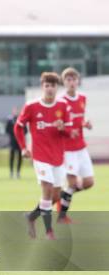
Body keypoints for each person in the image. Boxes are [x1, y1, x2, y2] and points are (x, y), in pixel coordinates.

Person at [15, 72, 69, 240]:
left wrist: (63, 128)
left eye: (53, 85)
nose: (50, 88)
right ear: (42, 86)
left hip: (58, 157)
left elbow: (69, 133)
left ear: (57, 87)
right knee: (47, 189)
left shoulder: (62, 106)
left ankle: (31, 217)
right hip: (40, 156)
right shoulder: (31, 106)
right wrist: (24, 148)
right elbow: (18, 127)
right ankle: (49, 231)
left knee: (56, 195)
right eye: (47, 85)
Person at [57, 67, 94, 223]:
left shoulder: (82, 98)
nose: (71, 82)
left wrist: (85, 124)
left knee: (88, 183)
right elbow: (57, 126)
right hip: (68, 149)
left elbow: (79, 119)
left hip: (81, 147)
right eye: (68, 79)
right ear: (64, 82)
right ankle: (62, 215)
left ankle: (61, 196)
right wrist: (67, 130)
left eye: (74, 79)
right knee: (72, 182)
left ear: (78, 81)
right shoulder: (60, 101)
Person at [5, 107, 23, 178]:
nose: (16, 112)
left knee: (19, 157)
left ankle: (18, 172)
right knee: (12, 156)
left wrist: (20, 134)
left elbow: (25, 130)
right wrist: (13, 133)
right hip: (12, 141)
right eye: (15, 111)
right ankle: (11, 172)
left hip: (20, 141)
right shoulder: (10, 120)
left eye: (17, 111)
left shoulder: (21, 119)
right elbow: (7, 130)